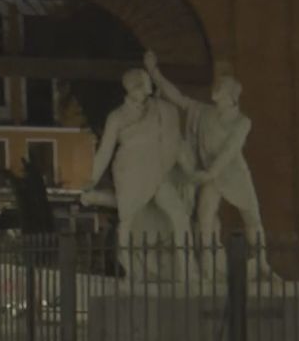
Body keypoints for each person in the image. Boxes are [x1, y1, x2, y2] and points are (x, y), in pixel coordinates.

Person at [144, 51, 269, 276]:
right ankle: (209, 266)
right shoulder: (203, 112)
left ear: (232, 95)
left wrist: (210, 173)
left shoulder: (242, 122)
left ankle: (262, 263)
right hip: (210, 175)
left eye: (222, 85)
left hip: (233, 174)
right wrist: (154, 73)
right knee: (204, 217)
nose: (216, 87)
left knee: (252, 216)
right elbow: (177, 97)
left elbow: (230, 151)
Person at [84, 67, 197, 280]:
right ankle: (132, 271)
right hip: (131, 173)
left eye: (146, 82)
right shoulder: (117, 117)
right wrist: (92, 179)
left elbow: (175, 141)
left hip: (158, 170)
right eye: (143, 83)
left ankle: (189, 271)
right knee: (127, 222)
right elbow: (105, 151)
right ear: (133, 86)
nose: (147, 87)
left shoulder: (163, 110)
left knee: (179, 216)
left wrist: (188, 169)